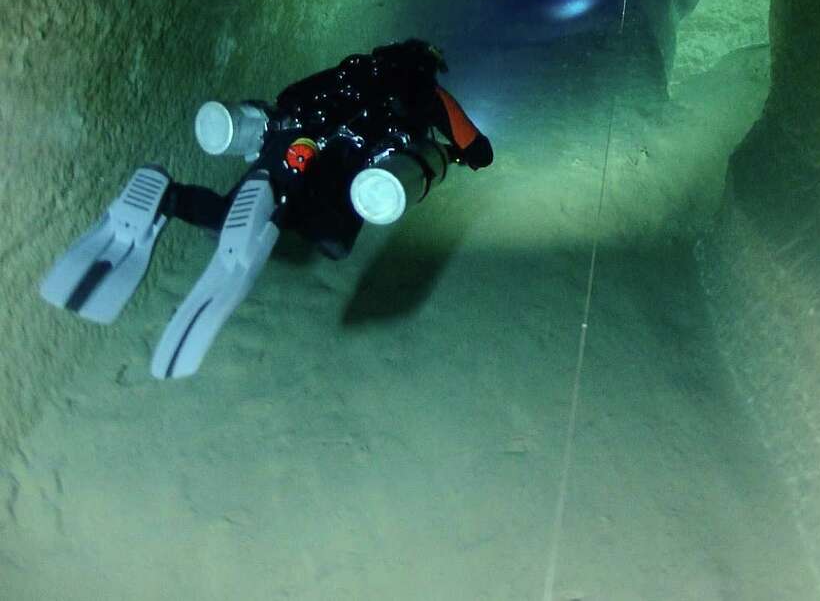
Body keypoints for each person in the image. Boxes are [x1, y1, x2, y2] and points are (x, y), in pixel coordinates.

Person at [40, 39, 492, 380]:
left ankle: (170, 198)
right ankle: (275, 214)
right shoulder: (432, 95)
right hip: (354, 162)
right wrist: (454, 154)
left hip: (294, 135)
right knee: (332, 241)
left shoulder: (355, 70)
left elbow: (294, 94)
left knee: (233, 213)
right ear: (429, 66)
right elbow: (479, 150)